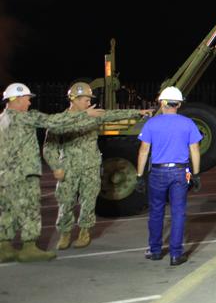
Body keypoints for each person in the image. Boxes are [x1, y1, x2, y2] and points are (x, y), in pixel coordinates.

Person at [0, 82, 105, 262]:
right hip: (25, 174)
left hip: (6, 175)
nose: (29, 103)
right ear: (15, 99)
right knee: (30, 210)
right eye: (26, 99)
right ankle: (29, 249)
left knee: (7, 211)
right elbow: (52, 122)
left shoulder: (3, 118)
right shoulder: (22, 117)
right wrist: (84, 114)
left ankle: (5, 247)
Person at [43, 82, 149, 250]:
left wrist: (137, 112)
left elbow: (113, 115)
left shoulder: (93, 114)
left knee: (88, 200)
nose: (88, 102)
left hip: (90, 167)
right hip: (68, 168)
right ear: (74, 99)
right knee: (66, 202)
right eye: (85, 99)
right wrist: (56, 167)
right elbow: (49, 147)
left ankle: (84, 232)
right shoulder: (61, 120)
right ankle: (64, 233)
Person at [136, 86, 203, 266]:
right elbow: (195, 150)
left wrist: (139, 175)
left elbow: (143, 151)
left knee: (156, 211)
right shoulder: (188, 123)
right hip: (182, 172)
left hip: (157, 172)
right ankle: (176, 254)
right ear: (179, 104)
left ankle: (155, 250)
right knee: (178, 212)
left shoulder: (152, 124)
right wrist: (195, 175)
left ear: (162, 103)